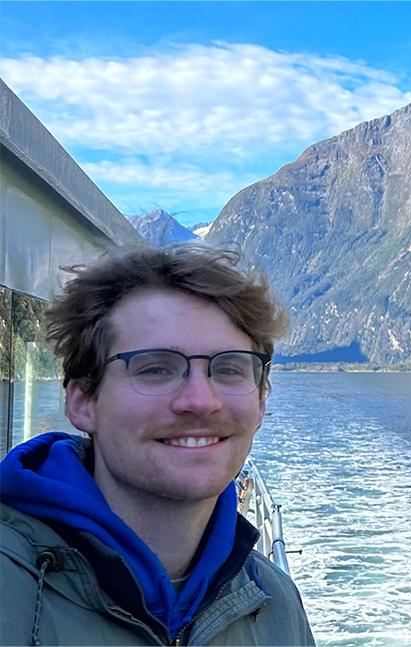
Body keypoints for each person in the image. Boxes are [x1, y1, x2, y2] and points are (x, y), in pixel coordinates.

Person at [0, 244, 315, 645]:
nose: (201, 401)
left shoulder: (276, 606)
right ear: (82, 401)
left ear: (261, 400)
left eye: (230, 368)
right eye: (156, 368)